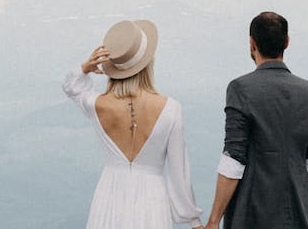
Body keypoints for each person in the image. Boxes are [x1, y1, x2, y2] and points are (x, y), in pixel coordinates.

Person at [62, 19, 204, 229]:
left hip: (109, 196)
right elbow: (178, 172)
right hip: (152, 201)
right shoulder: (171, 109)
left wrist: (85, 67)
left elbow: (71, 87)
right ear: (148, 63)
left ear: (112, 67)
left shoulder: (97, 105)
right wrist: (193, 220)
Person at [204, 11, 308, 229]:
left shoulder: (241, 89)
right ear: (287, 43)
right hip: (299, 215)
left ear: (252, 44)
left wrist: (213, 221)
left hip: (251, 214)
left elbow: (234, 160)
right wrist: (307, 214)